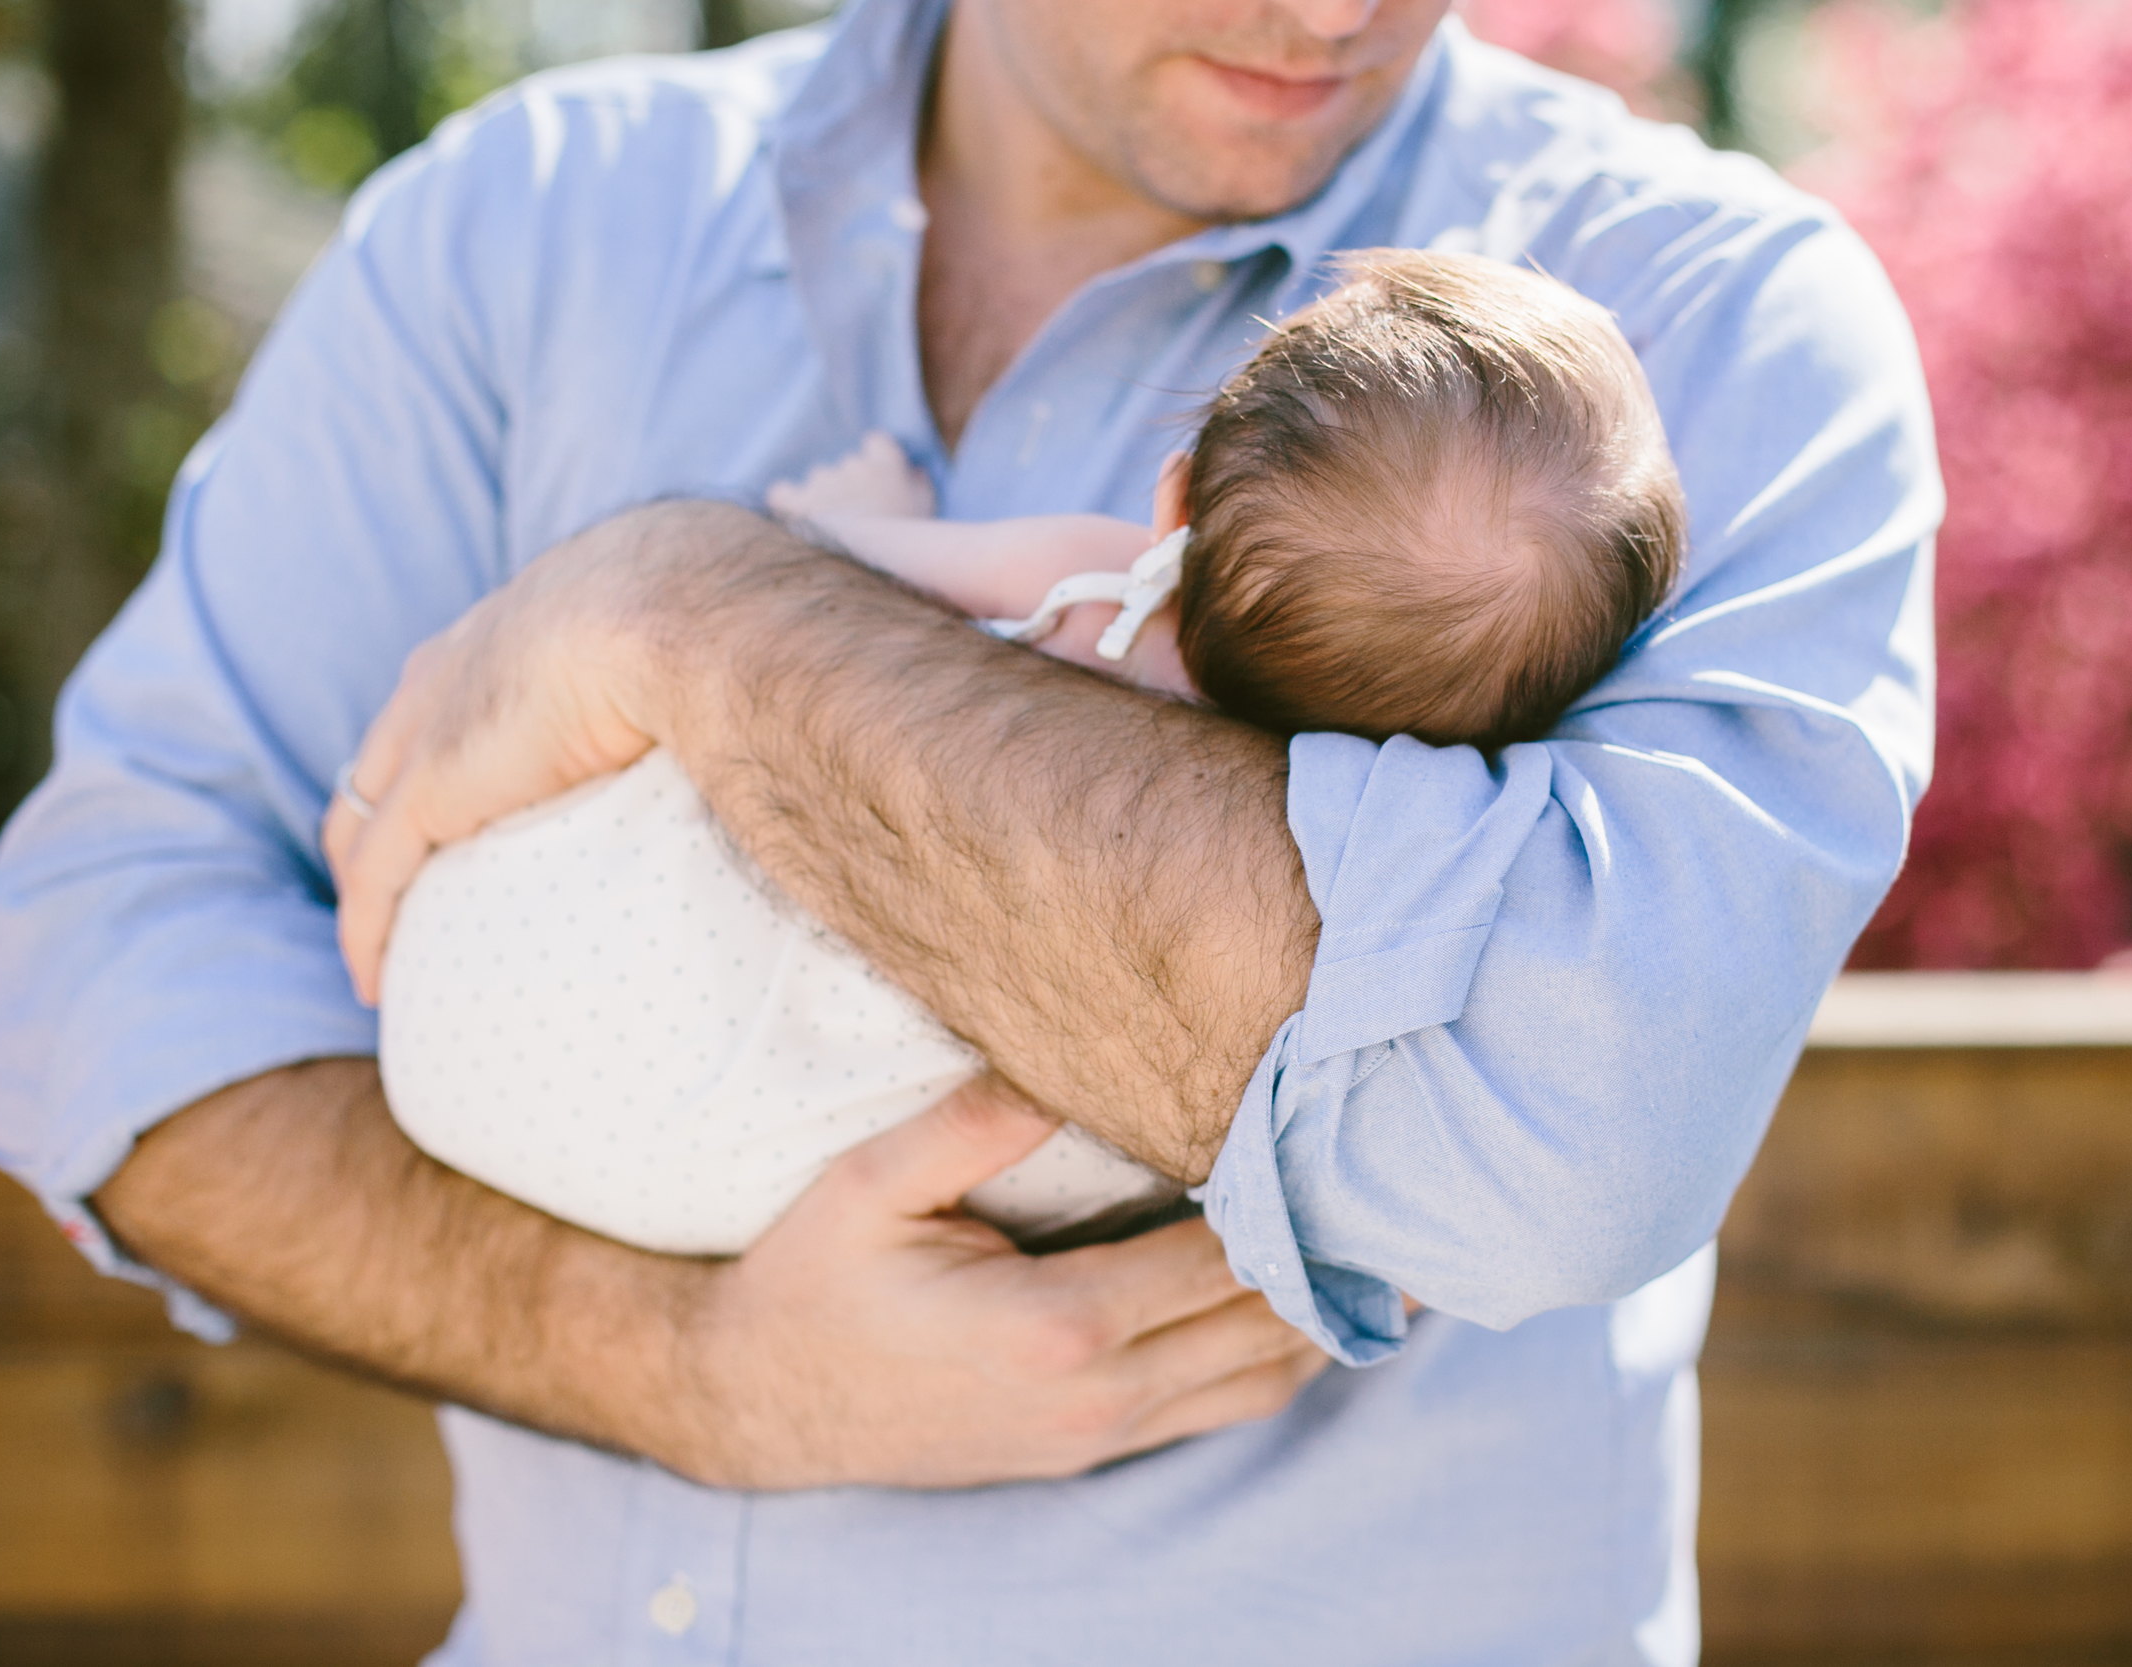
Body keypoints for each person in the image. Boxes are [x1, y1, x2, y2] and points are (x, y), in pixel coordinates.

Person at [0, 0, 1939, 1661]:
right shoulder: (519, 236)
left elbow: (1554, 1141)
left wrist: (704, 620)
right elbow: (92, 982)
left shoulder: (1676, 339)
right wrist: (668, 1363)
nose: (1331, 12)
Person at [374, 248, 1688, 1260]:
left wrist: (855, 518)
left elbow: (831, 575)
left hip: (480, 1063)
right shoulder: (1338, 866)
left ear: (1174, 500)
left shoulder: (1079, 592)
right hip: (749, 1183)